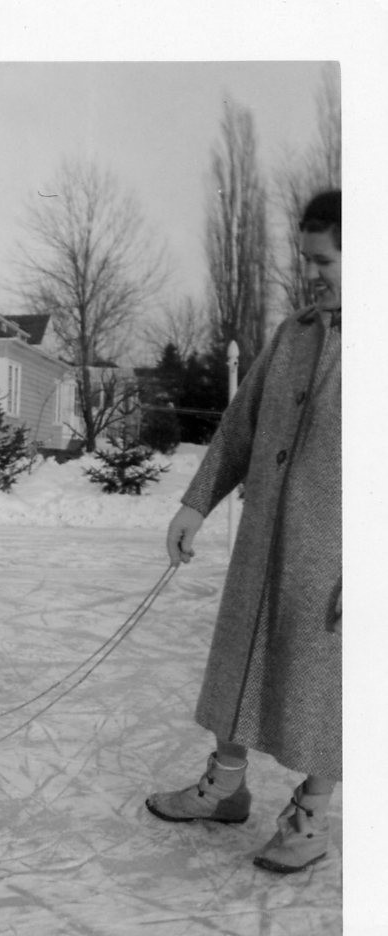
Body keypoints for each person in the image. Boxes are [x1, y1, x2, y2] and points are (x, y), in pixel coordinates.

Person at [145, 190, 341, 875]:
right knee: (238, 658)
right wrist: (196, 504)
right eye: (307, 259)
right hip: (263, 545)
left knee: (322, 685)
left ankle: (312, 820)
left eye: (325, 260)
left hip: (334, 559)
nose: (312, 272)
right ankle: (224, 788)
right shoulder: (294, 334)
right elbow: (239, 430)